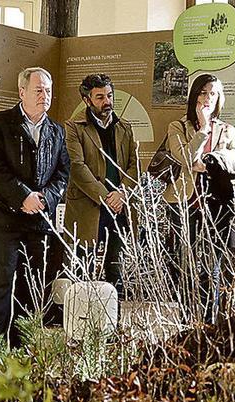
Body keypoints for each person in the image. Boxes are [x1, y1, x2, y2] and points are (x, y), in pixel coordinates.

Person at [0, 67, 71, 348]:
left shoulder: (56, 130)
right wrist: (23, 196)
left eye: (48, 91)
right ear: (22, 92)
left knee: (31, 284)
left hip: (39, 219)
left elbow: (62, 173)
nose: (45, 96)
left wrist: (45, 198)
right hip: (5, 217)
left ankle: (22, 346)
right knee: (3, 278)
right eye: (39, 90)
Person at [163, 74, 235, 323]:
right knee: (185, 264)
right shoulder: (178, 127)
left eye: (214, 93)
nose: (209, 98)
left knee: (211, 266)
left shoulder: (228, 130)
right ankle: (189, 321)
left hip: (217, 205)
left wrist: (210, 163)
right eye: (204, 92)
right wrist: (204, 128)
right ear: (194, 95)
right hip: (183, 203)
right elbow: (185, 158)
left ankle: (209, 322)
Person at [63, 74, 140, 298]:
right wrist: (107, 197)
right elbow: (76, 167)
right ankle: (81, 327)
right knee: (82, 269)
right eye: (99, 97)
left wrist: (122, 194)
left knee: (115, 270)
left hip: (119, 209)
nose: (107, 102)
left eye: (109, 95)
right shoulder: (73, 127)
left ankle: (112, 327)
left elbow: (134, 166)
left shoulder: (124, 127)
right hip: (88, 209)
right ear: (87, 100)